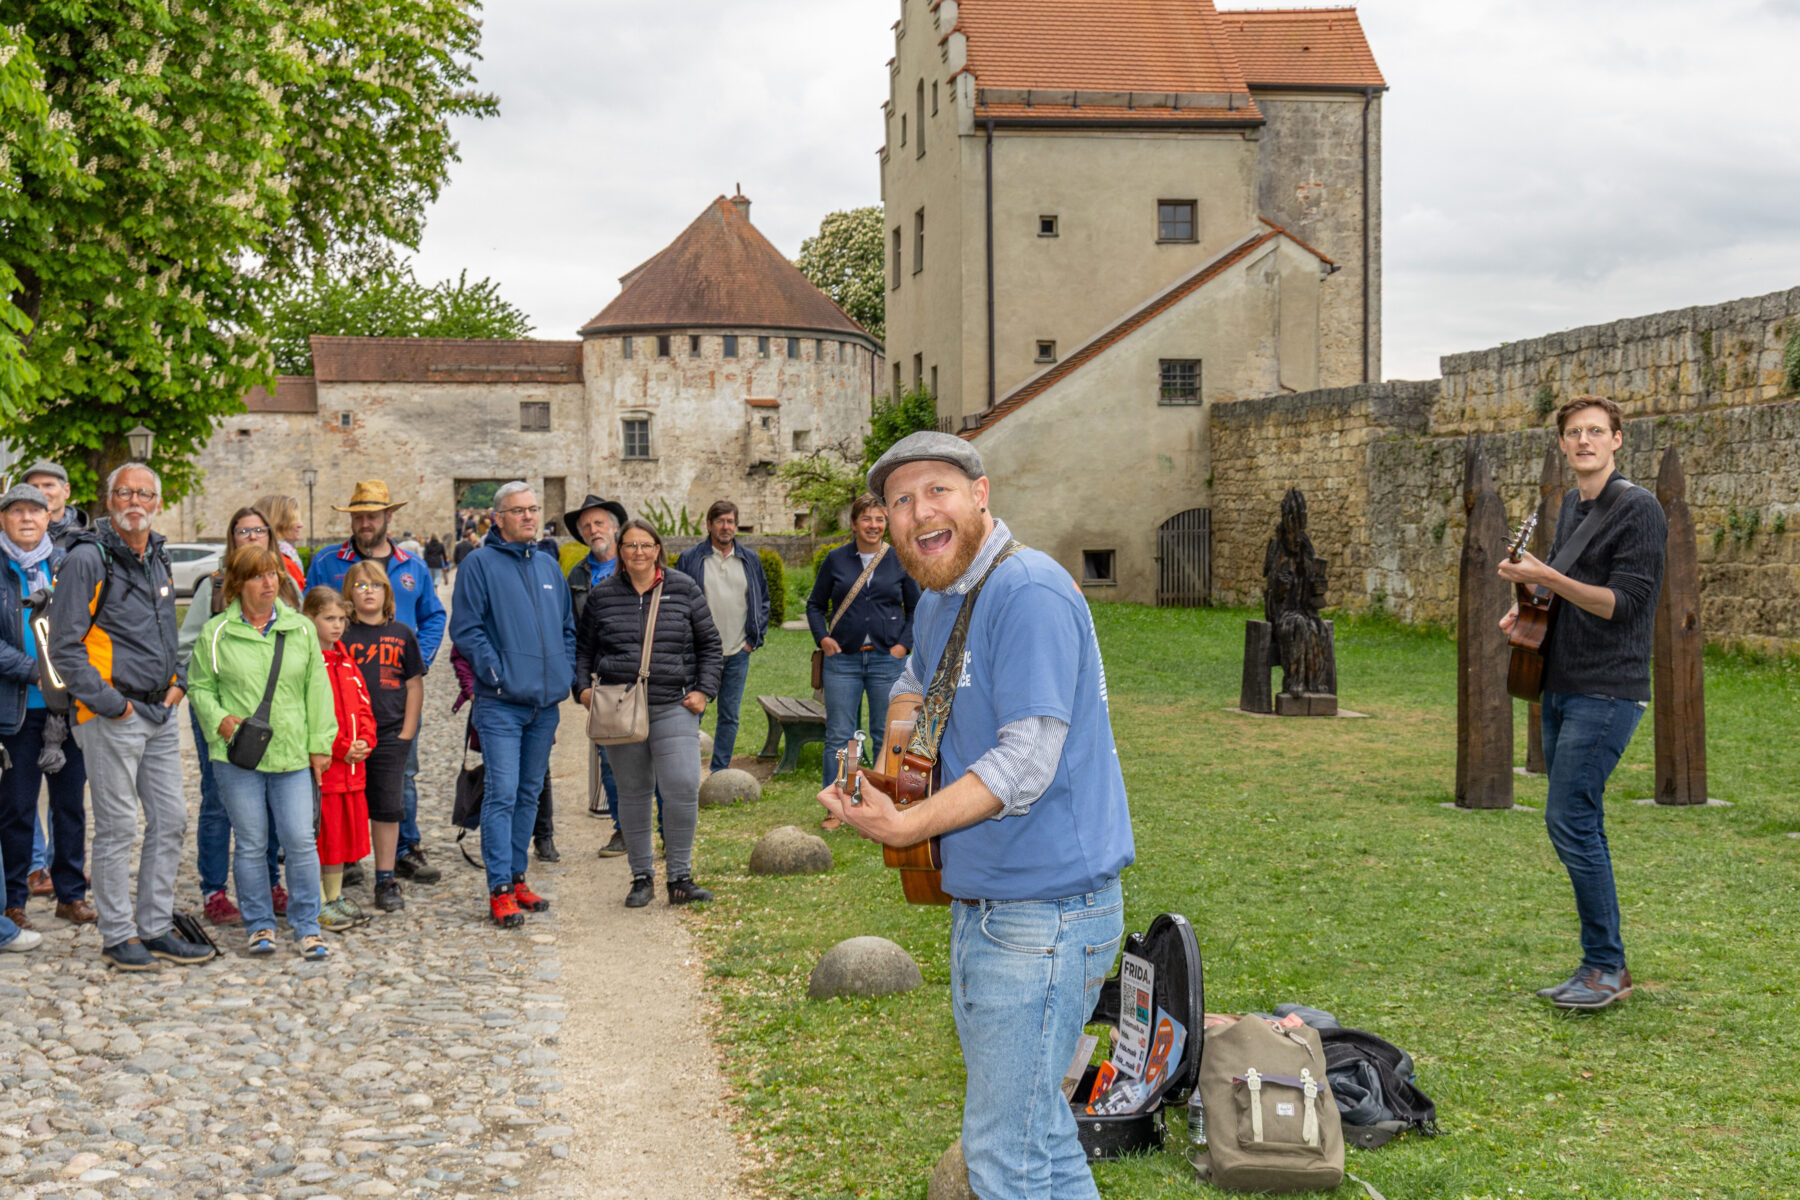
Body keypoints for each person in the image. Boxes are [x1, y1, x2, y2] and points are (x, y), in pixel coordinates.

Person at [817, 432, 1134, 1200]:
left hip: (1046, 916)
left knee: (1004, 1156)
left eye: (938, 491)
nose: (919, 511)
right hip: (996, 907)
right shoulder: (946, 596)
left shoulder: (1027, 590)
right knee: (1042, 1138)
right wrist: (895, 767)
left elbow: (1028, 759)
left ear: (981, 495)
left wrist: (908, 826)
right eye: (900, 500)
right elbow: (916, 680)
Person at [1498, 395, 1666, 1011]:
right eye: (1574, 433)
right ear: (1563, 445)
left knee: (1570, 818)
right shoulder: (1573, 504)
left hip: (1609, 688)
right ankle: (1599, 964)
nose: (1585, 441)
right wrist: (1527, 605)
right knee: (1575, 819)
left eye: (1597, 431)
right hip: (1560, 682)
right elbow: (1567, 592)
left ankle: (1606, 966)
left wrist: (1548, 574)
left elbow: (1623, 603)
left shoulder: (1639, 509)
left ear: (1618, 440)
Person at [48, 462, 216, 970]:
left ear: (158, 502)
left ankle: (156, 925)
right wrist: (111, 704)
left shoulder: (158, 554)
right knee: (120, 824)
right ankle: (119, 934)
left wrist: (178, 683)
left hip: (159, 710)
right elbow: (64, 646)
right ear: (109, 498)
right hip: (112, 713)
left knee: (170, 819)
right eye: (124, 493)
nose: (134, 502)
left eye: (144, 493)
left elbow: (170, 633)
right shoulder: (88, 559)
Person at [189, 546, 335, 958]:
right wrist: (219, 719)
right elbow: (200, 686)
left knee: (300, 840)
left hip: (290, 753)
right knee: (252, 842)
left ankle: (308, 925)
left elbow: (317, 689)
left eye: (273, 574)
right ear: (238, 584)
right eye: (258, 575)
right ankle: (259, 925)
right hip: (239, 756)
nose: (268, 582)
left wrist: (320, 744)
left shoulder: (301, 629)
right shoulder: (216, 632)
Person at [306, 480, 445, 885]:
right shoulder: (328, 561)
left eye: (373, 515)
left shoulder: (412, 565)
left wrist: (420, 658)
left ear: (389, 516)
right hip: (341, 692)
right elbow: (307, 610)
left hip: (393, 693)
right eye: (359, 516)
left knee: (402, 773)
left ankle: (405, 848)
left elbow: (434, 616)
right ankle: (346, 854)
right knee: (339, 773)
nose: (366, 523)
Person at [578, 518, 722, 908]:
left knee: (680, 786)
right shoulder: (603, 595)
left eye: (645, 545)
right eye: (630, 546)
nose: (638, 553)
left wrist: (704, 691)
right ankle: (641, 876)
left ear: (658, 549)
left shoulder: (683, 589)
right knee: (634, 793)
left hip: (673, 705)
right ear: (620, 552)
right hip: (621, 709)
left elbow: (710, 645)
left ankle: (679, 877)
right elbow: (584, 649)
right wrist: (583, 689)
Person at [449, 481, 573, 928]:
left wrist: (562, 674)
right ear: (498, 518)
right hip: (501, 704)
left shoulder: (548, 565)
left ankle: (518, 876)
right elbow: (466, 629)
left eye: (533, 509)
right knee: (501, 793)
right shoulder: (479, 565)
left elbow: (566, 628)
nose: (528, 517)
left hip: (544, 705)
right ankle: (499, 887)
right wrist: (497, 674)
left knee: (529, 791)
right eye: (518, 511)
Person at [179, 506, 299, 923]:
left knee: (268, 798)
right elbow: (188, 647)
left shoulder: (283, 588)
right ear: (232, 537)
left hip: (273, 711)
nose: (251, 537)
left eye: (259, 530)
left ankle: (269, 882)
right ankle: (214, 889)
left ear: (271, 536)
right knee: (217, 800)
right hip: (222, 711)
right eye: (242, 530)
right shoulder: (214, 587)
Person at [0, 483, 93, 928]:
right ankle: (14, 897)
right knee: (17, 808)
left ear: (47, 518)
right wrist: (31, 669)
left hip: (69, 709)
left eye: (34, 511)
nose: (26, 519)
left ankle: (70, 894)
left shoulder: (67, 564)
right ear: (4, 519)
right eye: (16, 511)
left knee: (69, 805)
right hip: (17, 707)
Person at [806, 493, 919, 796]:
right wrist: (823, 638)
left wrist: (902, 646)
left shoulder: (899, 558)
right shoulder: (836, 560)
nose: (873, 525)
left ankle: (882, 802)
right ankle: (841, 801)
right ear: (854, 524)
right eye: (866, 519)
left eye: (879, 519)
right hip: (842, 662)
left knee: (887, 734)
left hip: (887, 661)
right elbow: (815, 605)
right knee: (841, 737)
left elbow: (917, 607)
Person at [339, 561, 424, 914]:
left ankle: (386, 877)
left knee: (388, 808)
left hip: (389, 734)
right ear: (349, 593)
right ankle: (340, 869)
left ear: (387, 591)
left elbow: (414, 684)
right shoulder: (341, 635)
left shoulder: (402, 634)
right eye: (359, 586)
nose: (368, 590)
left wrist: (407, 732)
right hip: (348, 739)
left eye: (375, 584)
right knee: (345, 804)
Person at [674, 500, 769, 773]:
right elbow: (679, 603)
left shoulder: (749, 560)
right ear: (709, 525)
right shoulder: (691, 559)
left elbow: (763, 600)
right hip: (701, 653)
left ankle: (719, 771)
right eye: (720, 521)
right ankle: (686, 769)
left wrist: (754, 639)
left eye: (730, 521)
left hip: (739, 650)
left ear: (736, 526)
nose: (726, 527)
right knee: (693, 711)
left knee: (729, 716)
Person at [302, 587, 375, 932]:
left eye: (341, 619)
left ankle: (334, 896)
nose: (337, 626)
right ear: (310, 618)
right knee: (321, 838)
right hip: (326, 770)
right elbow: (311, 715)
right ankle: (315, 900)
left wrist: (365, 740)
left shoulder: (347, 662)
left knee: (341, 840)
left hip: (352, 768)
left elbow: (362, 706)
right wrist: (340, 746)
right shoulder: (307, 661)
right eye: (328, 619)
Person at [563, 493, 628, 856]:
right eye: (586, 526)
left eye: (599, 522)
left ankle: (664, 831)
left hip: (643, 673)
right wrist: (580, 685)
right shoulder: (576, 575)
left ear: (615, 527)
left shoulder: (635, 560)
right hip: (602, 681)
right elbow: (572, 632)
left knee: (654, 754)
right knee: (609, 758)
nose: (592, 530)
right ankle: (623, 829)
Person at [21, 460, 89, 550]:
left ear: (66, 491)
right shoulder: (12, 539)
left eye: (48, 485)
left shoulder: (86, 538)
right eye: (34, 487)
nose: (41, 492)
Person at [253, 493, 307, 592]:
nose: (300, 525)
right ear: (276, 522)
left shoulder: (284, 556)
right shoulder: (280, 562)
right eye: (294, 519)